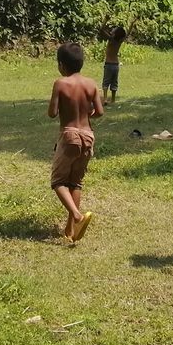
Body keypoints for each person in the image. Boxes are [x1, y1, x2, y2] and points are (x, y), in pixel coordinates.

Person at [48, 42, 104, 243]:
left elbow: (52, 113)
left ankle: (78, 216)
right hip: (88, 135)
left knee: (58, 182)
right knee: (75, 183)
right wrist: (87, 113)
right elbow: (99, 112)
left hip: (69, 135)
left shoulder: (60, 83)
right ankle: (71, 230)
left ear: (61, 65)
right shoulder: (91, 84)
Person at [101, 26, 127, 104]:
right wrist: (132, 24)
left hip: (108, 64)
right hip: (116, 65)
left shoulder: (111, 40)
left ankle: (105, 99)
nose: (112, 30)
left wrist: (105, 20)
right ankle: (113, 99)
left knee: (106, 82)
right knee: (114, 82)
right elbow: (127, 34)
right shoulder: (120, 41)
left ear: (115, 34)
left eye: (114, 30)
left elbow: (101, 29)